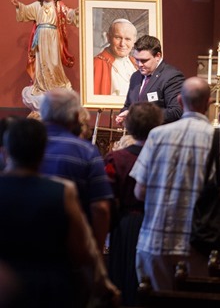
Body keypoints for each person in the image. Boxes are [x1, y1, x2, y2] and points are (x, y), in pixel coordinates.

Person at [130, 77, 220, 291]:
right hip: (197, 243)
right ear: (209, 102)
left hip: (155, 239)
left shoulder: (157, 135)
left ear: (180, 101)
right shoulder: (218, 139)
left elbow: (140, 191)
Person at [0, 117, 120, 308]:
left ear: (6, 152)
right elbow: (80, 250)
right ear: (42, 153)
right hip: (51, 287)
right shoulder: (62, 192)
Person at [39, 88, 114, 253]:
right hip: (71, 248)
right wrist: (96, 251)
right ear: (74, 116)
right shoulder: (86, 151)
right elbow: (100, 207)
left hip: (24, 245)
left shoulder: (22, 144)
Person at [104, 102, 163, 306]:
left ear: (129, 125)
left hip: (126, 223)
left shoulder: (116, 158)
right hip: (157, 223)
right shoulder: (164, 157)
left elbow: (109, 197)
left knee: (123, 276)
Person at [9, 0, 78, 112]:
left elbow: (68, 14)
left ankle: (56, 84)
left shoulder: (58, 5)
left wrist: (75, 12)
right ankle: (42, 85)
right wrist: (18, 5)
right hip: (41, 36)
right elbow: (26, 11)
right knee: (41, 61)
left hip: (53, 36)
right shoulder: (37, 5)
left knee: (54, 61)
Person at [115, 35, 185, 126]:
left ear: (158, 56)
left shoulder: (172, 76)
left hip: (160, 137)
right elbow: (128, 106)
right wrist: (124, 115)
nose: (139, 64)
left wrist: (140, 115)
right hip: (137, 136)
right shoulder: (135, 76)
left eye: (144, 60)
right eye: (137, 60)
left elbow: (176, 111)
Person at [94, 19, 138, 95]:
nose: (122, 44)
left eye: (127, 39)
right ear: (108, 38)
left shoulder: (136, 65)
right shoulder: (96, 64)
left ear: (134, 41)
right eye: (118, 38)